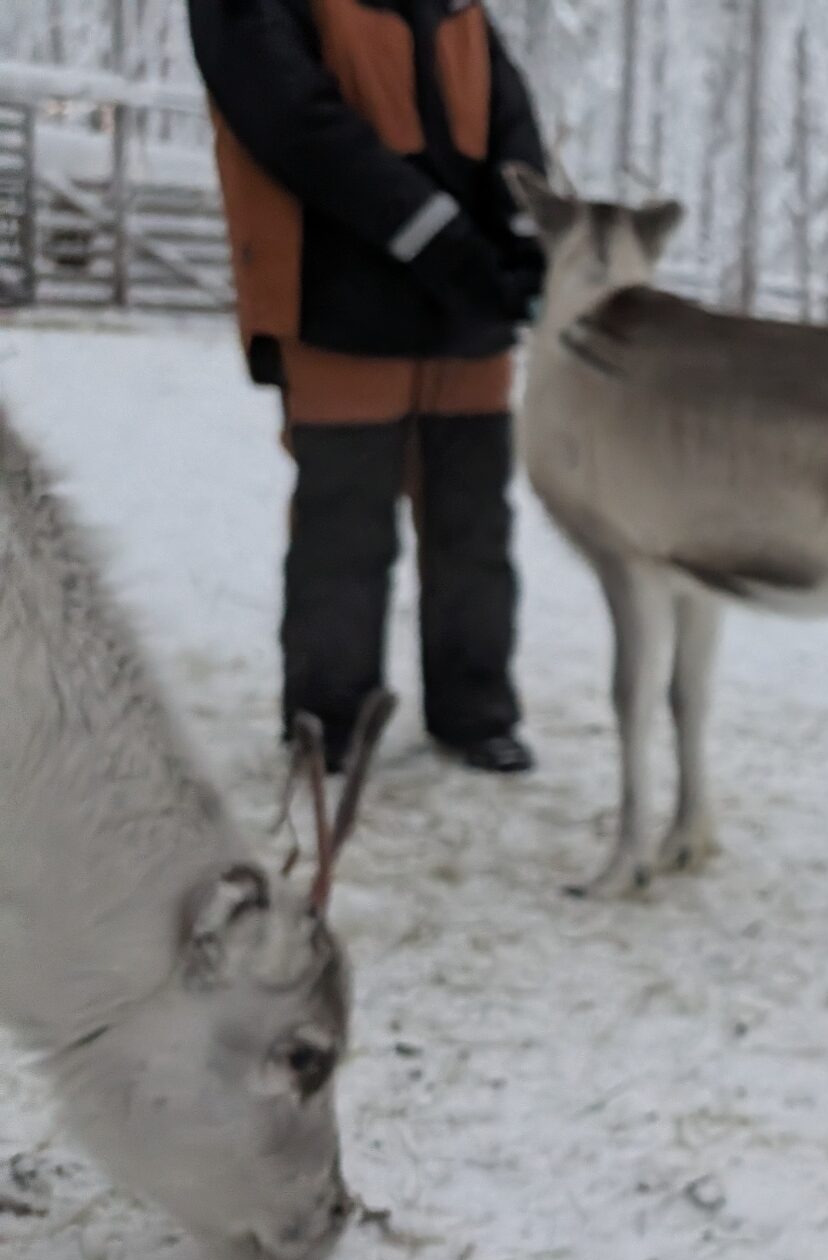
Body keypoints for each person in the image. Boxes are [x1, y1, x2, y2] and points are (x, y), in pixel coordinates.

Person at [189, 0, 549, 774]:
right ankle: (330, 722)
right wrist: (438, 236)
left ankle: (475, 708)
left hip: (468, 311)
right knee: (345, 531)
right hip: (339, 302)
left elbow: (509, 113)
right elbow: (297, 126)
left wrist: (523, 236)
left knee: (474, 526)